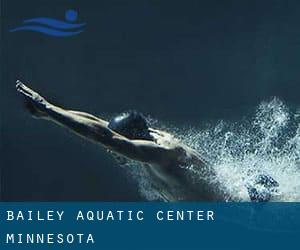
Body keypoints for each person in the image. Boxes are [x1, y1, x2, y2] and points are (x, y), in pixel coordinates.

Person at [15, 80, 277, 201]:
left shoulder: (161, 154)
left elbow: (105, 137)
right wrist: (51, 113)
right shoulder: (146, 139)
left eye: (115, 146)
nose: (111, 151)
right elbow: (99, 126)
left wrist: (48, 109)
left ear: (132, 140)